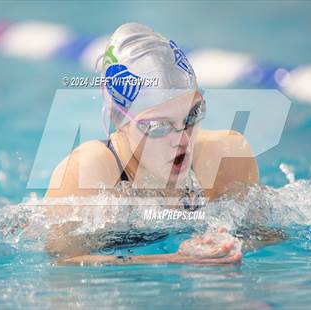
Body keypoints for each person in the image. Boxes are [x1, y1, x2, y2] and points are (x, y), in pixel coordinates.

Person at [45, 23, 259, 265]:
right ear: (121, 123)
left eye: (192, 116)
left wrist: (226, 246)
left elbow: (266, 235)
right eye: (159, 127)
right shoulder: (89, 172)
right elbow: (63, 263)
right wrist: (173, 259)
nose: (183, 139)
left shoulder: (226, 156)